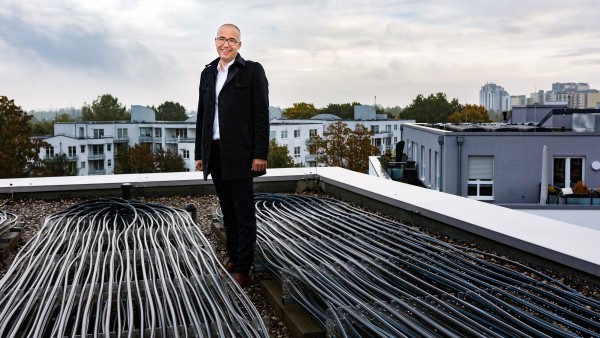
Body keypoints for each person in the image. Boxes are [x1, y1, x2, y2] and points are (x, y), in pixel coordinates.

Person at [195, 23, 269, 288]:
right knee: (227, 210)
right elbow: (203, 116)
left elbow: (261, 115)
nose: (225, 44)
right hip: (214, 152)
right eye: (221, 39)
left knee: (243, 211)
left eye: (232, 40)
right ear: (215, 41)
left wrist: (260, 153)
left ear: (239, 45)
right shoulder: (207, 73)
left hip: (240, 152)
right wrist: (200, 152)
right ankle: (235, 256)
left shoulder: (252, 72)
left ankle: (243, 268)